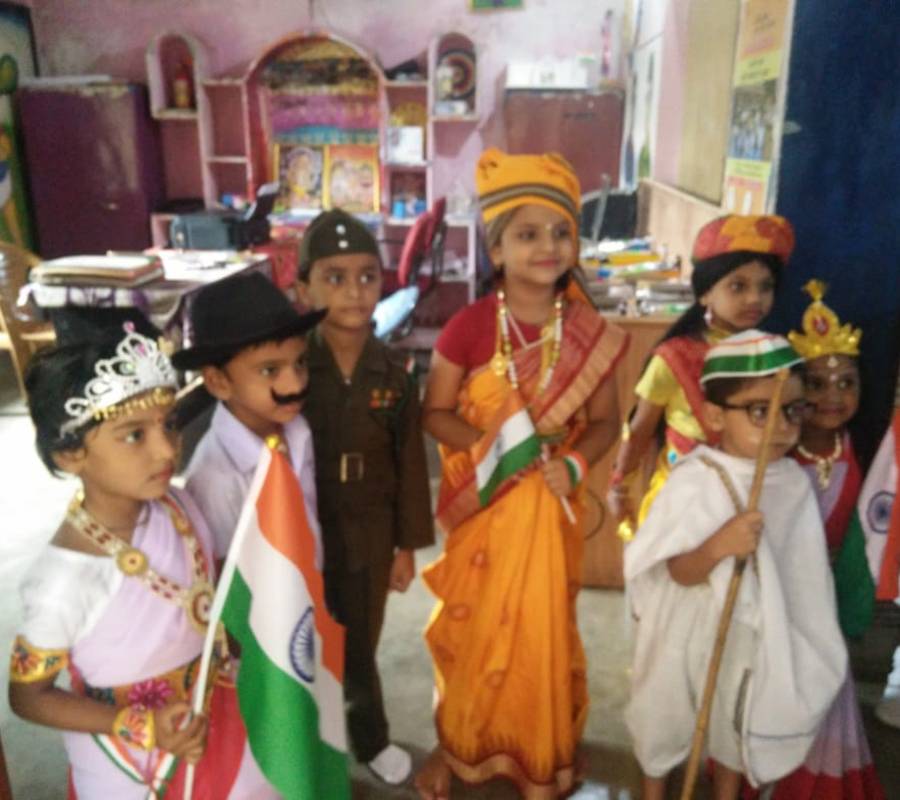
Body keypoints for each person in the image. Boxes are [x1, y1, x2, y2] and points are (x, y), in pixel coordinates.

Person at [414, 149, 628, 799]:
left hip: (552, 510)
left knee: (541, 633)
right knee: (477, 630)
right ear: (497, 249)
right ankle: (464, 747)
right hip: (489, 504)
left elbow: (605, 422)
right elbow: (435, 414)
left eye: (561, 232)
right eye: (528, 234)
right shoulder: (468, 328)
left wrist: (574, 463)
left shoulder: (589, 332)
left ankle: (542, 753)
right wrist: (497, 448)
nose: (548, 246)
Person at [7, 313, 275, 798]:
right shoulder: (64, 579)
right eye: (134, 434)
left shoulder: (177, 505)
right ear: (70, 455)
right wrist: (139, 724)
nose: (166, 450)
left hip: (214, 708)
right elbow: (28, 698)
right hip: (131, 754)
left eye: (168, 424)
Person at [625, 330, 847, 800]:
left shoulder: (792, 483)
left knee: (733, 717)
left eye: (792, 410)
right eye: (760, 411)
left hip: (750, 631)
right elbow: (676, 573)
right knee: (664, 715)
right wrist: (717, 547)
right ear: (713, 416)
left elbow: (802, 579)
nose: (781, 427)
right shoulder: (696, 479)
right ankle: (654, 791)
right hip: (686, 626)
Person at [296, 208, 434, 785]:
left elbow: (411, 464)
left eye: (366, 276)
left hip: (371, 531)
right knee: (301, 636)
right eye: (334, 277)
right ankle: (307, 739)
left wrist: (407, 547)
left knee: (358, 642)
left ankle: (369, 737)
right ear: (303, 288)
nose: (354, 291)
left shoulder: (394, 373)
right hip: (304, 527)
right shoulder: (291, 365)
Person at [746, 282, 885, 798]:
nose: (833, 397)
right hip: (780, 604)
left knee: (827, 693)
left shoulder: (860, 452)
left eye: (846, 383)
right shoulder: (777, 459)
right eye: (817, 385)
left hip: (830, 606)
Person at [608, 214, 795, 535]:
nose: (754, 298)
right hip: (683, 504)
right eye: (738, 286)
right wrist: (618, 486)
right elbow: (640, 432)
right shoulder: (674, 358)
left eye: (765, 287)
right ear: (705, 293)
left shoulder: (775, 355)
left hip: (751, 500)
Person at [175, 271, 325, 568]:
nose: (295, 385)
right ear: (218, 382)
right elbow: (227, 576)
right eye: (270, 370)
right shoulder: (215, 480)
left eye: (300, 363)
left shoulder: (297, 430)